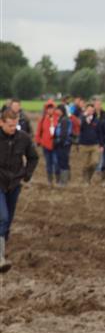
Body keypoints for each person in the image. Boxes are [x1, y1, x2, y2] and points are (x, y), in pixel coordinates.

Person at [0, 108, 39, 272]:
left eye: (15, 125)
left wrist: (27, 175)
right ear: (1, 123)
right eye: (10, 125)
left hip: (14, 184)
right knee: (3, 217)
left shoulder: (23, 138)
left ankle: (2, 248)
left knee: (7, 222)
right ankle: (0, 258)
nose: (13, 128)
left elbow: (33, 157)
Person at [77, 103, 103, 185]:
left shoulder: (96, 120)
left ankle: (89, 177)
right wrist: (84, 117)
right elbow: (79, 127)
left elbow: (100, 133)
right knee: (85, 164)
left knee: (95, 162)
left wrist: (101, 145)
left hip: (94, 145)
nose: (90, 111)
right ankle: (85, 180)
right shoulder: (82, 119)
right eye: (88, 110)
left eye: (92, 110)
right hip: (83, 145)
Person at [35, 101, 58, 185]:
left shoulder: (58, 118)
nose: (50, 110)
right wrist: (38, 141)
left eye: (52, 108)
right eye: (48, 108)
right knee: (48, 163)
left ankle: (58, 179)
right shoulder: (43, 119)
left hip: (56, 145)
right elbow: (38, 131)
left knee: (56, 162)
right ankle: (50, 180)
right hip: (46, 144)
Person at [52, 105, 74, 187]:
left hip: (63, 145)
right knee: (62, 161)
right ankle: (64, 179)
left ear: (61, 111)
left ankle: (64, 181)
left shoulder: (64, 120)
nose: (56, 112)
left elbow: (64, 134)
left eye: (57, 110)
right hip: (62, 144)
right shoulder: (61, 119)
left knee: (63, 162)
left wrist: (58, 142)